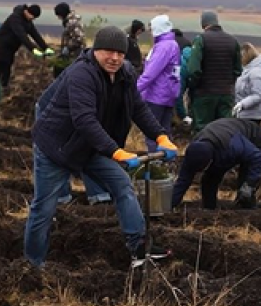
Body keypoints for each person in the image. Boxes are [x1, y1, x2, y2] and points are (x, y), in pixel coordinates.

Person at [24, 26, 179, 269]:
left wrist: (161, 137)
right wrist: (116, 152)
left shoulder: (125, 73)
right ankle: (33, 265)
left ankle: (139, 247)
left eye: (120, 53)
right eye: (109, 52)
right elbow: (84, 120)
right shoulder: (81, 74)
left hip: (91, 147)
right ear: (96, 50)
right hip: (57, 148)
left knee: (123, 186)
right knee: (44, 208)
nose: (115, 58)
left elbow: (138, 108)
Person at [172, 117, 261, 210]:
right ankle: (209, 208)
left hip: (251, 134)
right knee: (210, 178)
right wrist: (169, 205)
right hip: (221, 139)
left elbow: (257, 157)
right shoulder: (193, 152)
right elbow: (182, 181)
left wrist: (249, 184)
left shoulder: (233, 146)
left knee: (245, 185)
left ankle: (247, 208)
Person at [183, 10, 241, 132]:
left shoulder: (201, 40)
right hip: (226, 94)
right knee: (224, 130)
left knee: (203, 130)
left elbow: (194, 69)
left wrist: (193, 86)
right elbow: (238, 70)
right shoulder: (233, 41)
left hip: (204, 94)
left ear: (203, 23)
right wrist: (228, 84)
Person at [137, 15, 181, 152]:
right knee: (165, 132)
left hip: (156, 96)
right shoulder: (173, 44)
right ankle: (167, 160)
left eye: (152, 28)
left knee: (152, 133)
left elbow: (150, 73)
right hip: (169, 95)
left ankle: (155, 162)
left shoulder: (163, 47)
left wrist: (134, 89)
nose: (150, 32)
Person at [0, 3, 51, 92]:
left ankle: (3, 88)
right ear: (28, 12)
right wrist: (33, 49)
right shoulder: (15, 19)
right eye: (33, 16)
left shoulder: (27, 20)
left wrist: (45, 47)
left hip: (11, 49)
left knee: (8, 66)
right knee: (3, 68)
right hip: (1, 47)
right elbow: (21, 35)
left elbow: (35, 34)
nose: (33, 19)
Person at [233, 42, 261, 122]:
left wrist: (242, 104)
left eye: (241, 56)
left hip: (253, 116)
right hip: (243, 114)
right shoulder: (246, 70)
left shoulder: (257, 72)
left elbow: (258, 95)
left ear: (247, 56)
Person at [52, 2, 85, 78]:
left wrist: (68, 48)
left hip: (75, 54)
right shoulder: (69, 21)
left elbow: (79, 39)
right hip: (72, 53)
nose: (58, 18)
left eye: (59, 15)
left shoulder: (72, 23)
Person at [172, 28, 193, 127]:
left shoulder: (170, 42)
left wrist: (183, 115)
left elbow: (178, 94)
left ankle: (179, 118)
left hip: (176, 70)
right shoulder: (187, 42)